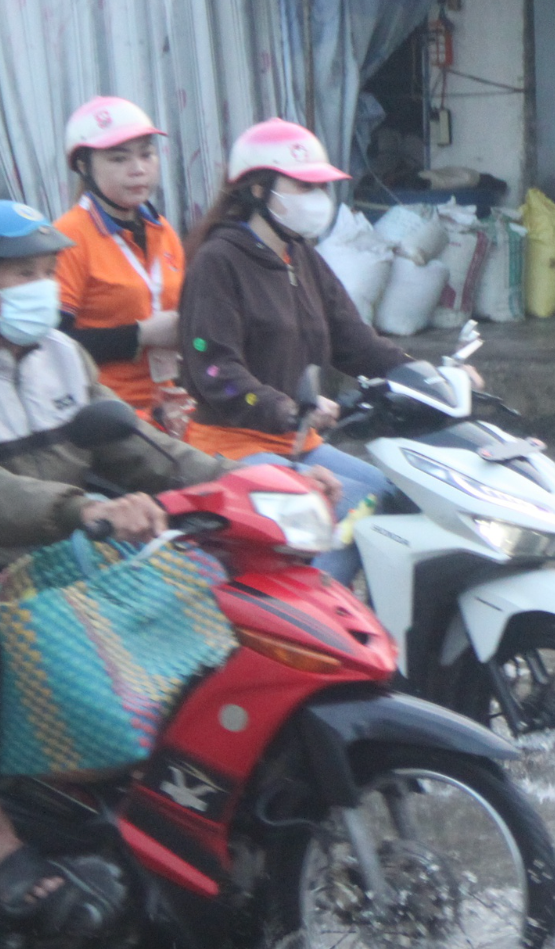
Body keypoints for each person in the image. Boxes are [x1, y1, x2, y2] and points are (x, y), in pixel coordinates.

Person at [0, 200, 216, 938]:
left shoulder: (65, 356)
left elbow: (139, 451)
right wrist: (80, 509)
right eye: (16, 272)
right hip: (21, 552)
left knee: (190, 602)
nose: (35, 284)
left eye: (41, 269)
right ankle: (6, 851)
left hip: (59, 556)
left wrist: (242, 482)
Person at [177, 119, 411, 584]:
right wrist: (287, 408)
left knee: (390, 497)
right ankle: (313, 632)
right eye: (304, 186)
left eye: (321, 187)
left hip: (297, 443)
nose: (318, 199)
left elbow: (355, 341)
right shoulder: (218, 262)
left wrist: (426, 375)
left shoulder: (300, 256)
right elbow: (216, 370)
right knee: (339, 509)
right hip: (231, 447)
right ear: (259, 190)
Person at [53, 97, 188, 434]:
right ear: (84, 167)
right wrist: (140, 335)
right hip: (106, 416)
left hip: (170, 412)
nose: (138, 169)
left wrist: (194, 346)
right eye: (118, 158)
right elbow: (55, 346)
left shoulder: (163, 230)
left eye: (146, 153)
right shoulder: (68, 237)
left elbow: (194, 332)